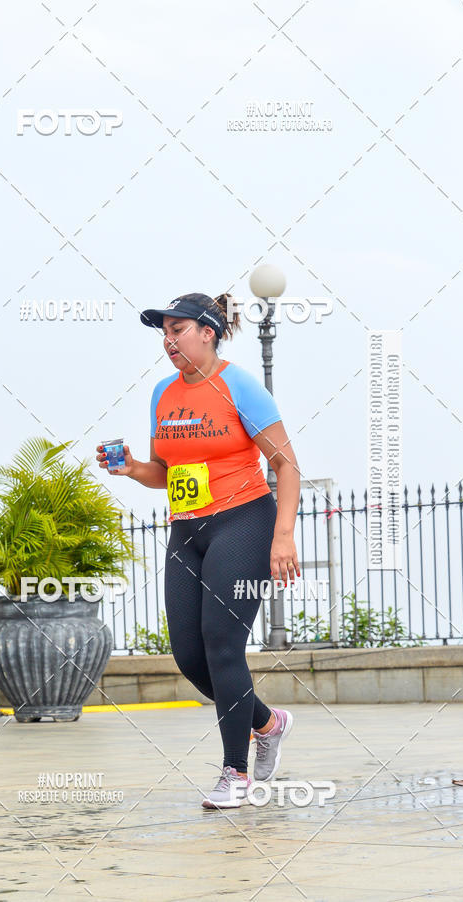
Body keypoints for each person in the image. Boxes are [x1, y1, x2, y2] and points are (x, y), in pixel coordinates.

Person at [96, 291, 301, 809]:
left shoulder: (240, 386)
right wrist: (131, 468)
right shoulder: (162, 394)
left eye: (178, 330)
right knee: (189, 656)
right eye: (164, 333)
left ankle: (235, 773)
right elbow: (164, 473)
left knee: (222, 644)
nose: (168, 341)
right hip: (187, 531)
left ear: (208, 332)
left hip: (243, 521)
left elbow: (286, 466)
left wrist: (282, 535)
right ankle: (267, 723)